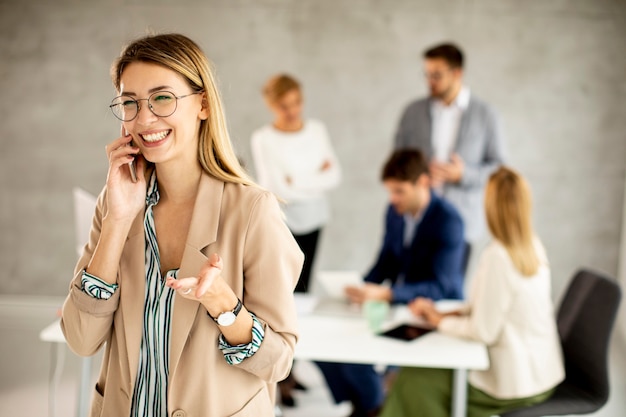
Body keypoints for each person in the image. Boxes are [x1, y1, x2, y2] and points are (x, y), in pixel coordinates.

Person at [61, 34, 303, 417]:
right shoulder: (115, 203)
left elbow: (277, 362)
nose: (143, 119)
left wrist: (223, 305)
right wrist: (117, 221)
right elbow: (80, 339)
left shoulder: (253, 210)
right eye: (130, 103)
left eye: (162, 98)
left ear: (203, 104)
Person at [381, 166, 565, 417]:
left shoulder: (499, 257)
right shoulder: (530, 245)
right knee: (420, 374)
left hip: (513, 385)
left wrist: (438, 322)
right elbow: (496, 305)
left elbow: (482, 332)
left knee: (414, 381)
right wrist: (445, 315)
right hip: (540, 375)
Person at [316, 148, 465, 417]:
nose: (393, 199)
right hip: (399, 305)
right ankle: (371, 405)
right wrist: (361, 288)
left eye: (399, 191)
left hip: (433, 313)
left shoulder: (449, 220)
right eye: (390, 191)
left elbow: (441, 286)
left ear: (423, 182)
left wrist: (387, 294)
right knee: (330, 348)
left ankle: (372, 406)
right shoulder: (395, 212)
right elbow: (387, 260)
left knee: (359, 356)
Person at [251, 73, 341, 407]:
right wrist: (313, 177)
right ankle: (278, 375)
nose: (292, 111)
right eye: (284, 106)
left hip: (315, 220)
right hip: (284, 221)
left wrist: (297, 180)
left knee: (301, 297)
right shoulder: (264, 138)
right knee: (280, 296)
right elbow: (277, 187)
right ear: (271, 105)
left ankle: (290, 370)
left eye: (297, 103)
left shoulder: (316, 130)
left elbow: (334, 175)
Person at [394, 42, 505, 247]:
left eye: (436, 75)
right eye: (426, 74)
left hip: (462, 224)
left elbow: (499, 171)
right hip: (415, 221)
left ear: (457, 73)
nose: (430, 81)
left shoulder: (486, 115)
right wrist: (418, 174)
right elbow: (397, 162)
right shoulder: (412, 112)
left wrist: (462, 175)